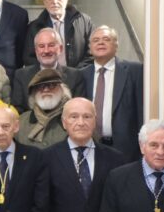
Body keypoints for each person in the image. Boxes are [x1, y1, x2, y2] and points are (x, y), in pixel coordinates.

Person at [81, 26, 143, 161]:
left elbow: (141, 111)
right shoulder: (81, 75)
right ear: (90, 47)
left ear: (116, 45)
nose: (100, 43)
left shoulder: (135, 71)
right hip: (90, 146)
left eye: (106, 39)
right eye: (96, 40)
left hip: (126, 149)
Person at [11, 27, 86, 112]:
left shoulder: (75, 76)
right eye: (41, 46)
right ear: (36, 51)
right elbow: (18, 111)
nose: (46, 51)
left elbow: (78, 109)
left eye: (51, 45)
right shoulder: (21, 75)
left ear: (60, 48)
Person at [23, 0, 94, 69]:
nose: (54, 1)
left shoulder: (84, 21)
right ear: (44, 1)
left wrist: (75, 74)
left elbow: (92, 53)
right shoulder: (35, 27)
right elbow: (29, 58)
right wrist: (48, 74)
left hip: (79, 77)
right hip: (47, 79)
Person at [16, 69, 71, 149]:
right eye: (40, 86)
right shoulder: (21, 121)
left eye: (52, 85)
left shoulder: (73, 118)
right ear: (33, 93)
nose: (46, 90)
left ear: (62, 90)